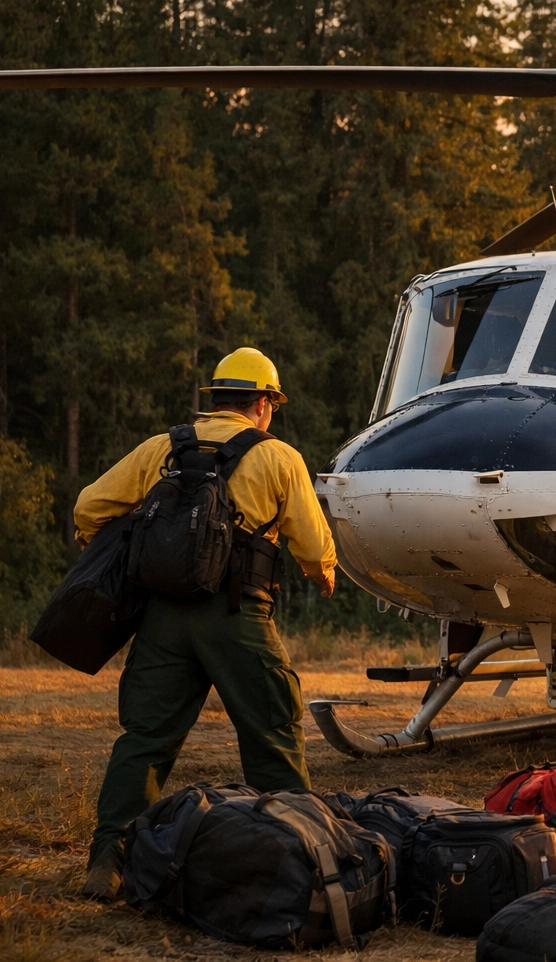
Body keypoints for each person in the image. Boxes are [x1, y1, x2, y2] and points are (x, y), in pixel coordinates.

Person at [77, 348, 337, 900]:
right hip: (238, 617)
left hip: (163, 619)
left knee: (145, 739)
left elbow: (88, 506)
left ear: (214, 399)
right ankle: (303, 862)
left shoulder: (159, 450)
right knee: (273, 732)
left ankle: (108, 861)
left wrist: (98, 544)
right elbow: (313, 544)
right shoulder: (278, 458)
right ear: (263, 403)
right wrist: (324, 573)